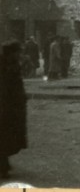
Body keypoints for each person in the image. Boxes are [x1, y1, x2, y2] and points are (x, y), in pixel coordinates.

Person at [0, 40, 28, 179]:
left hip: (12, 107)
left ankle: (4, 163)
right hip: (6, 107)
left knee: (8, 136)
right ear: (11, 53)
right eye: (17, 52)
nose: (19, 54)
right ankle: (3, 167)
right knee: (4, 136)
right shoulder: (6, 66)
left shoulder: (12, 64)